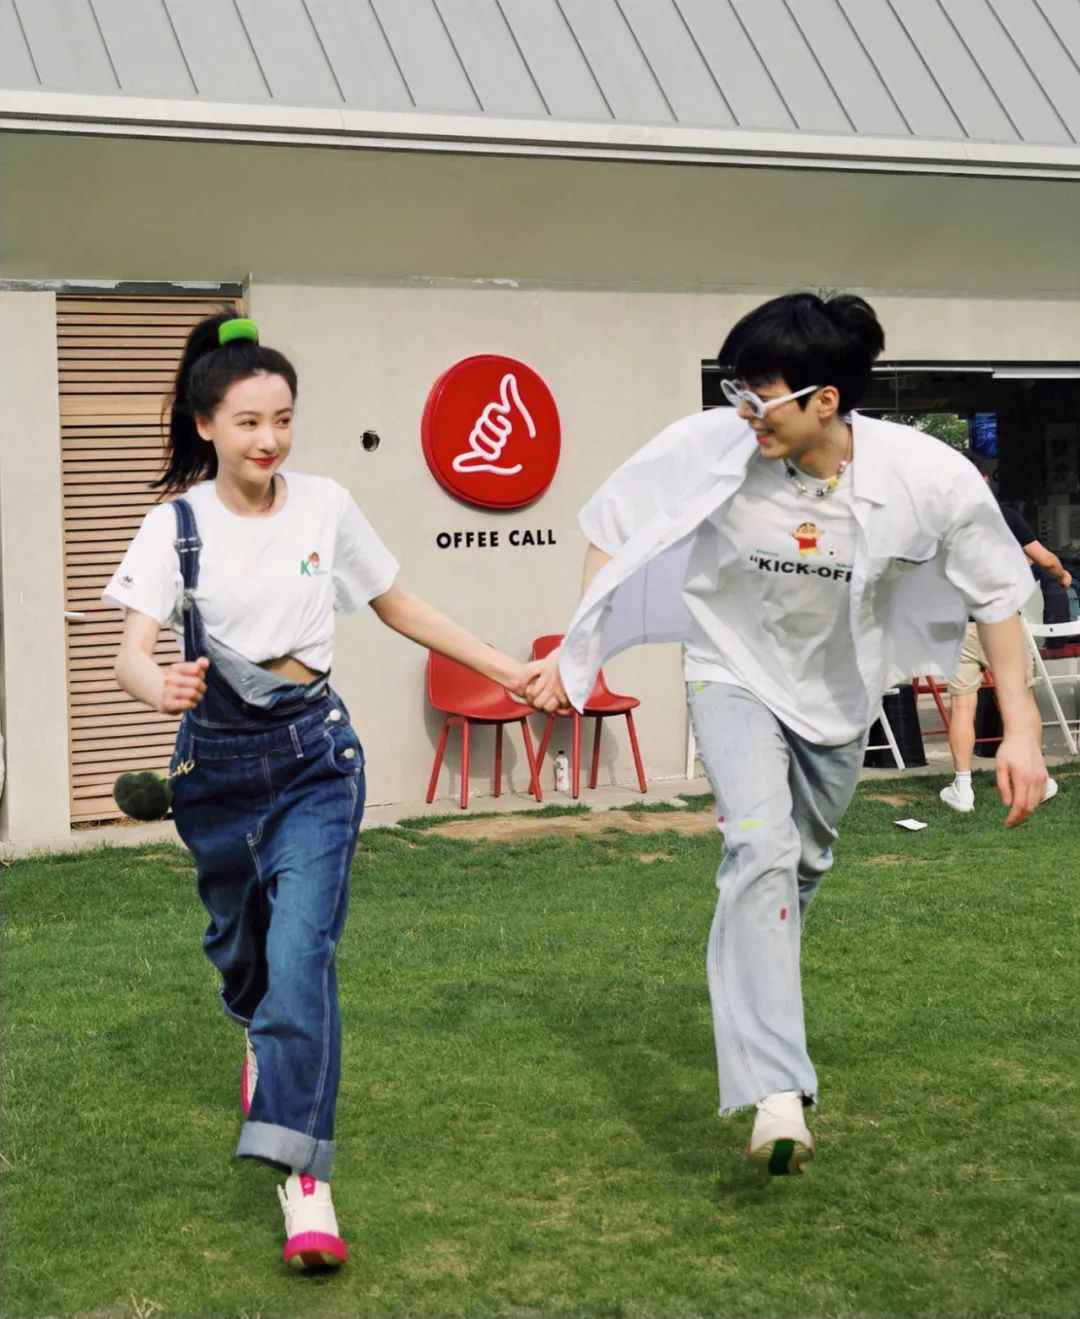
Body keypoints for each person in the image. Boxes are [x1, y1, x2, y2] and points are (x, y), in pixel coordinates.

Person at [525, 292, 1046, 1175]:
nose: (745, 411)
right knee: (759, 848)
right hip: (728, 666)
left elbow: (998, 594)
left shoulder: (928, 477)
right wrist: (580, 648)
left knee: (795, 870)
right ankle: (775, 1090)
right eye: (738, 390)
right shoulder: (710, 446)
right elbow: (611, 528)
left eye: (762, 396)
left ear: (826, 400)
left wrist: (1022, 730)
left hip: (840, 693)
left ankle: (757, 994)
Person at [104, 314, 539, 1270]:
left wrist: (506, 666)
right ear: (206, 424)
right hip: (215, 770)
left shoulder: (326, 506)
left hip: (314, 760)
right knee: (244, 955)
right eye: (249, 421)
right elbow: (131, 648)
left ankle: (305, 1179)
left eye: (284, 419)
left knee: (304, 953)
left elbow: (398, 602)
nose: (270, 440)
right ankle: (262, 1029)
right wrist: (155, 684)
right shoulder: (176, 525)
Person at [939, 451, 1072, 812]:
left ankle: (963, 788)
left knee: (962, 705)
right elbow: (1045, 559)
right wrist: (1061, 575)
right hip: (1003, 623)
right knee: (1022, 700)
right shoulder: (1004, 517)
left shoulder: (940, 523)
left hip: (959, 623)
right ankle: (1040, 778)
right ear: (983, 480)